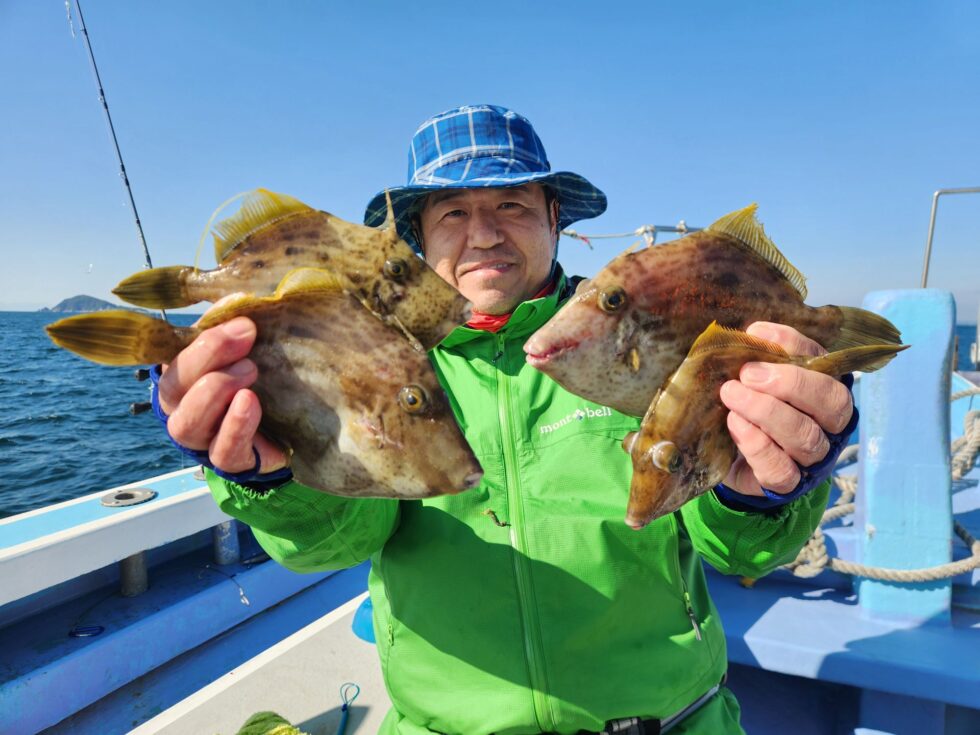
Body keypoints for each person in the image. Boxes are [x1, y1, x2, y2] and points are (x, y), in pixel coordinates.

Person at [153, 104, 856, 734]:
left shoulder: (639, 332)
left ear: (556, 220)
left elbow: (740, 550)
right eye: (452, 213)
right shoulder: (374, 355)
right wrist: (269, 479)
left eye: (513, 204)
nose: (484, 233)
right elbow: (339, 540)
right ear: (418, 240)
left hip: (669, 720)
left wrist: (766, 485)